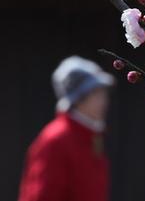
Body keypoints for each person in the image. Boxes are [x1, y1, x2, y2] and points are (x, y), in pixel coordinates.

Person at [18, 56, 115, 201]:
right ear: (78, 98)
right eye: (95, 93)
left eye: (102, 92)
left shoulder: (90, 137)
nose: (103, 100)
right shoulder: (56, 139)